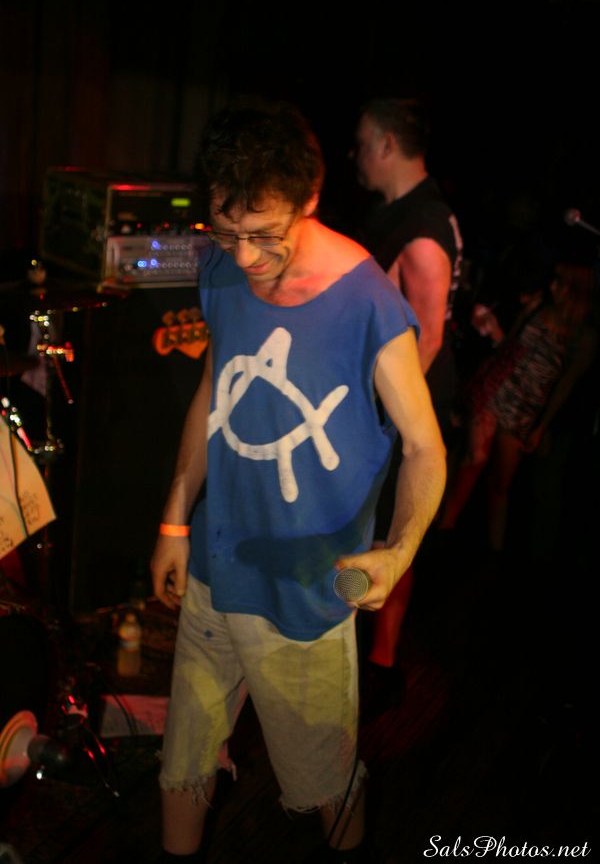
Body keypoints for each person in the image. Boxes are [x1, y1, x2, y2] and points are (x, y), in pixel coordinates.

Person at [150, 99, 446, 864]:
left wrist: (398, 552)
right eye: (228, 232)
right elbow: (214, 392)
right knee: (182, 764)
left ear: (309, 198)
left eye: (265, 236)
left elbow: (425, 448)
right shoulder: (220, 267)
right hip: (215, 569)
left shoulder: (368, 300)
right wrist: (175, 520)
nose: (245, 257)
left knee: (325, 786)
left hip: (306, 590)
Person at [350, 98, 462, 705]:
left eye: (364, 143)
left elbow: (429, 338)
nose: (357, 155)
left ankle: (382, 665)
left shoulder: (422, 227)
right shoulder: (402, 213)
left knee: (392, 532)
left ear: (388, 145)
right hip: (390, 402)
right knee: (378, 529)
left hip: (404, 406)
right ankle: (370, 656)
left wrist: (382, 418)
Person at [437, 260, 598, 552]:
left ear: (576, 291)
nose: (553, 287)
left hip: (526, 409)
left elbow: (565, 387)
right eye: (555, 280)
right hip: (497, 388)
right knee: (474, 460)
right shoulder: (538, 306)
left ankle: (493, 553)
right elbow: (508, 345)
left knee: (500, 485)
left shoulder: (583, 337)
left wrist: (542, 427)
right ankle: (441, 532)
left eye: (561, 284)